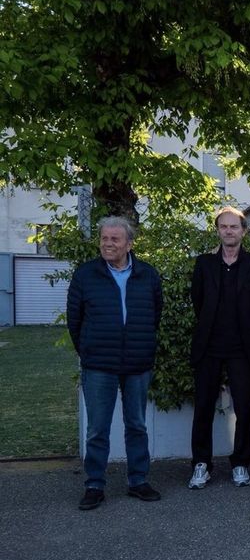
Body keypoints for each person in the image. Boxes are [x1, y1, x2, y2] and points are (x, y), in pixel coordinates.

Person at [67, 216, 163, 510]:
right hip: (98, 364)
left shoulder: (147, 274)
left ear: (129, 244)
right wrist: (88, 350)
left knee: (137, 425)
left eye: (114, 239)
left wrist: (140, 345)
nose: (107, 244)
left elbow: (155, 314)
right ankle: (94, 485)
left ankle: (138, 481)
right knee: (97, 428)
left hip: (137, 363)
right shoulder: (85, 275)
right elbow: (74, 320)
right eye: (104, 238)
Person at [188, 206, 250, 489]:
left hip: (242, 348)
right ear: (218, 230)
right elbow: (198, 301)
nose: (228, 231)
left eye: (234, 226)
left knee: (244, 407)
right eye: (223, 226)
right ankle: (201, 463)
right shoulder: (204, 264)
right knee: (203, 407)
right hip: (208, 346)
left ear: (244, 231)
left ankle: (241, 463)